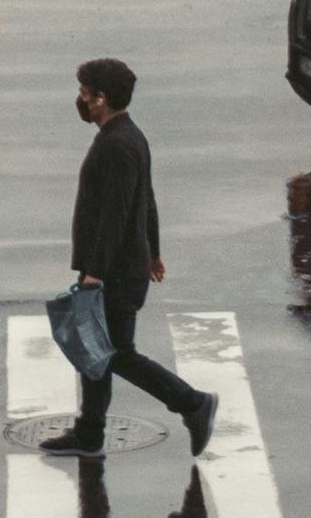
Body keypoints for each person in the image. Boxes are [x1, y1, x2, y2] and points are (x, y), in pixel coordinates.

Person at [44, 57, 218, 467]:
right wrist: (153, 251)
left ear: (101, 99)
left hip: (116, 274)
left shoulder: (117, 145)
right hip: (125, 266)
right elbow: (147, 201)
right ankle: (89, 434)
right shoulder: (127, 135)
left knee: (116, 353)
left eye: (85, 92)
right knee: (96, 350)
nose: (80, 99)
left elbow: (118, 215)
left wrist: (94, 274)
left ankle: (192, 403)